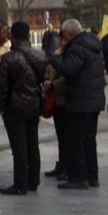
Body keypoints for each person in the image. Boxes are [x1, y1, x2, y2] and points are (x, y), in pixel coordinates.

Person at [47, 19, 105, 189]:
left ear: (66, 34)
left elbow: (68, 69)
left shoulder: (76, 47)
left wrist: (55, 59)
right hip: (94, 100)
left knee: (76, 140)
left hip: (80, 100)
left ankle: (78, 178)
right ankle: (92, 176)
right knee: (88, 140)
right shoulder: (92, 44)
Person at [0, 21, 45, 195]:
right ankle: (33, 180)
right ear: (29, 35)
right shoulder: (39, 56)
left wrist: (1, 107)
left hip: (15, 106)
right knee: (33, 144)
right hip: (34, 104)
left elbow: (3, 87)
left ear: (12, 37)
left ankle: (20, 184)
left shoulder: (9, 58)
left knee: (19, 147)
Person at [42, 33, 68, 179]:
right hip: (55, 100)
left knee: (66, 136)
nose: (61, 42)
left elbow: (67, 76)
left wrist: (53, 85)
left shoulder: (71, 55)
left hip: (65, 100)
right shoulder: (57, 54)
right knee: (60, 135)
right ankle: (61, 164)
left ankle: (67, 166)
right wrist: (46, 80)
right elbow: (48, 70)